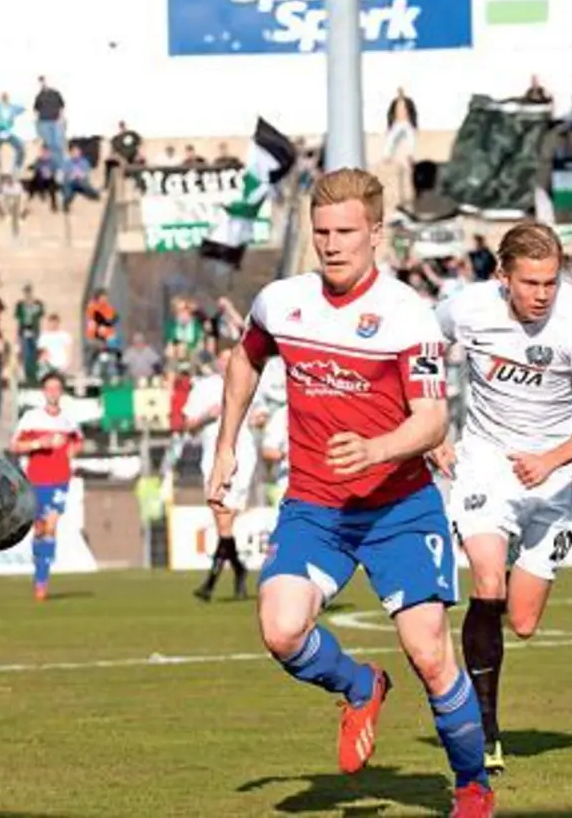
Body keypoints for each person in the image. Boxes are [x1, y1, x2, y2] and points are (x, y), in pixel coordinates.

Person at [205, 168, 494, 817]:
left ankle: (472, 785)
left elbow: (432, 418)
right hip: (316, 507)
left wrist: (377, 448)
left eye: (347, 232)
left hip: (399, 507)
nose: (333, 245)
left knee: (428, 652)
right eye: (322, 232)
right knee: (280, 629)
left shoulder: (406, 315)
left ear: (376, 233)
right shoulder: (281, 301)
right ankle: (360, 684)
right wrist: (227, 445)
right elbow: (246, 358)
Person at [430, 221, 572, 773]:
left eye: (551, 282)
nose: (542, 295)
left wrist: (551, 460)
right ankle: (482, 731)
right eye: (531, 283)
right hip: (487, 463)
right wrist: (434, 431)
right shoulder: (466, 308)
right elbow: (413, 353)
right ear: (502, 277)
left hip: (553, 476)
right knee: (487, 582)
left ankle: (513, 552)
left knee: (523, 622)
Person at [185, 346, 257, 602]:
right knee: (222, 520)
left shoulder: (249, 381)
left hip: (242, 457)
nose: (228, 364)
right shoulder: (203, 388)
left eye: (233, 358)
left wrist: (258, 418)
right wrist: (207, 415)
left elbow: (259, 415)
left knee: (224, 519)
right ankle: (238, 570)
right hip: (212, 458)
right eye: (224, 359)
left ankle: (211, 583)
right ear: (217, 362)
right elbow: (189, 426)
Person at [10, 372, 82, 601]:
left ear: (61, 392)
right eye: (49, 388)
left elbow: (78, 440)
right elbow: (15, 446)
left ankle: (42, 582)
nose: (53, 392)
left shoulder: (69, 421)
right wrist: (39, 443)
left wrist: (73, 450)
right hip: (35, 480)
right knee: (39, 529)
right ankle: (39, 566)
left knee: (51, 526)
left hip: (60, 480)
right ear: (44, 392)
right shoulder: (31, 418)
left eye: (57, 388)